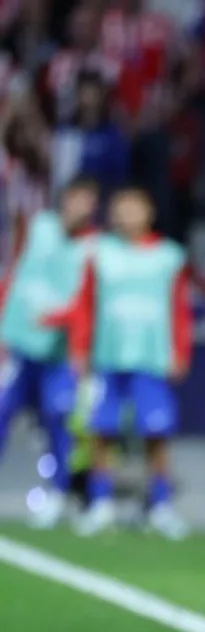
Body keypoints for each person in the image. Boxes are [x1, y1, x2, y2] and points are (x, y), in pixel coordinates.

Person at [46, 187, 192, 538]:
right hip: (108, 357)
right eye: (120, 208)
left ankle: (160, 505)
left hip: (151, 358)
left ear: (149, 211)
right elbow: (85, 304)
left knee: (157, 433)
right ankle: (100, 503)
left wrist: (181, 351)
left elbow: (179, 308)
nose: (126, 214)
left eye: (134, 207)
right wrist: (79, 349)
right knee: (101, 431)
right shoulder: (100, 253)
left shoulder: (169, 256)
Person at [0, 176, 100, 528]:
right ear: (65, 199)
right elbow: (16, 272)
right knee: (1, 414)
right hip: (18, 345)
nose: (82, 206)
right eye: (77, 198)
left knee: (59, 422)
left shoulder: (94, 248)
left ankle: (58, 495)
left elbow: (87, 302)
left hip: (57, 353)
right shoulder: (39, 226)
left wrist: (60, 321)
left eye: (90, 201)